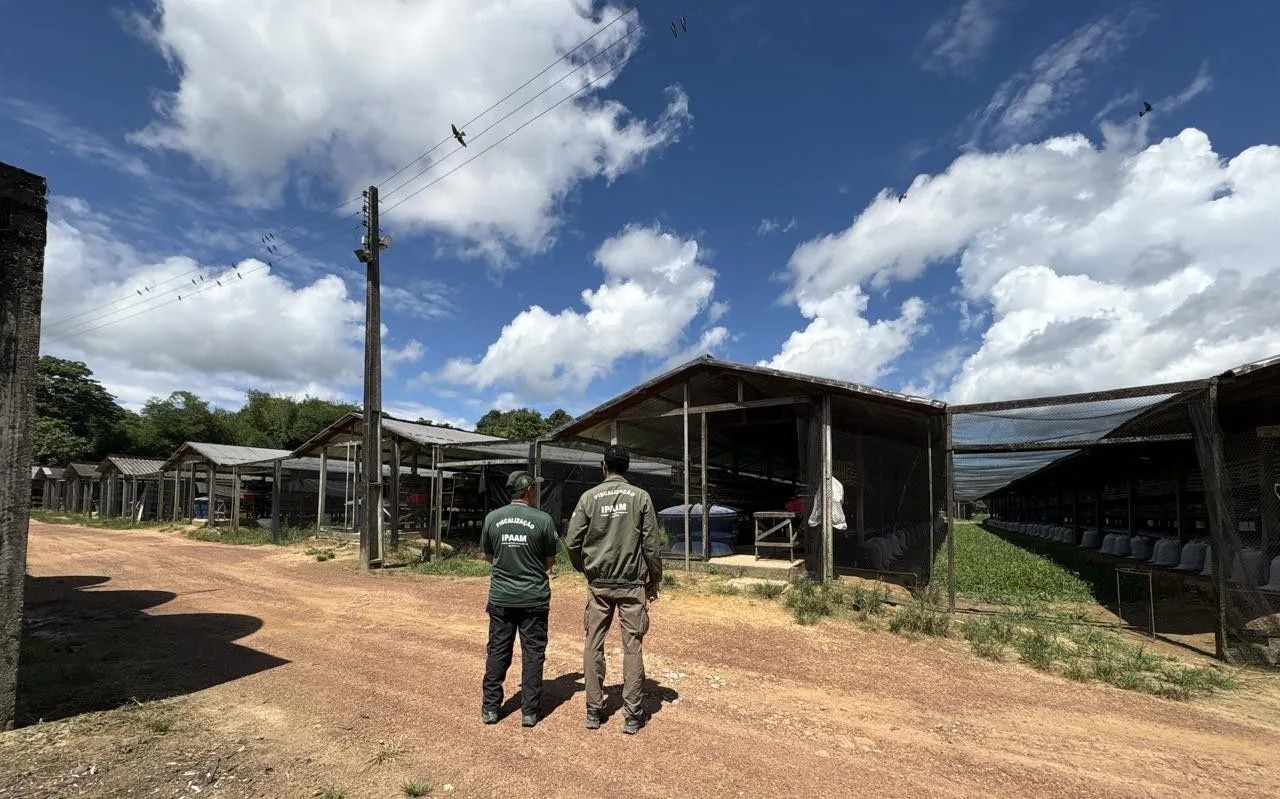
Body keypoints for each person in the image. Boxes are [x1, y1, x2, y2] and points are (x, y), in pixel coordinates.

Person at [565, 444, 662, 735]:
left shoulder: (588, 497)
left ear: (604, 467)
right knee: (632, 646)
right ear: (627, 468)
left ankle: (594, 711)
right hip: (632, 585)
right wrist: (654, 580)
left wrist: (585, 568)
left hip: (599, 584)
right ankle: (633, 715)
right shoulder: (641, 497)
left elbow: (572, 542)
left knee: (594, 642)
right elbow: (651, 546)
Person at [479, 470, 559, 728]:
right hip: (533, 598)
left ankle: (491, 708)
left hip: (501, 597)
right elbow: (549, 561)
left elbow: (488, 556)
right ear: (529, 491)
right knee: (533, 654)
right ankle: (529, 712)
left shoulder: (493, 518)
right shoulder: (543, 520)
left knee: (498, 651)